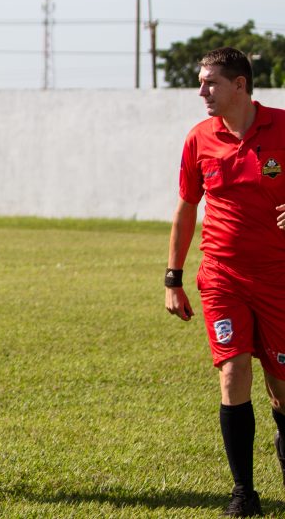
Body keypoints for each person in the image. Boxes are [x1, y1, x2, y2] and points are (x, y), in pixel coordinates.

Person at [165, 47, 285, 517]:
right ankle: (243, 494)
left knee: (281, 388)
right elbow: (186, 207)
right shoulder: (199, 138)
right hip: (222, 277)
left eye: (210, 83)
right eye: (200, 82)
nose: (201, 92)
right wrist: (172, 277)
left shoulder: (282, 127)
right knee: (233, 372)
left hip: (278, 280)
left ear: (240, 85)